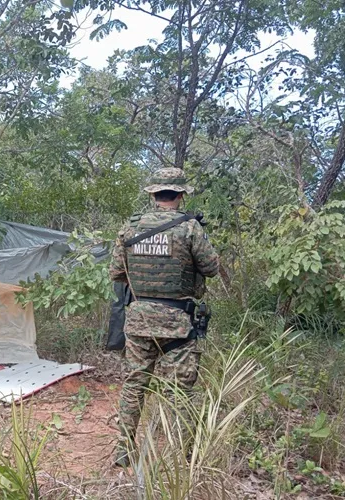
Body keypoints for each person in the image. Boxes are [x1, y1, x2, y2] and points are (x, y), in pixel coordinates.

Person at [109, 167, 219, 467]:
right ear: (181, 195)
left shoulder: (129, 228)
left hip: (139, 320)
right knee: (180, 392)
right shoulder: (190, 228)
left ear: (154, 194)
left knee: (134, 384)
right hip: (177, 324)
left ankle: (123, 450)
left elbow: (117, 273)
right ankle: (181, 457)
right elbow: (211, 268)